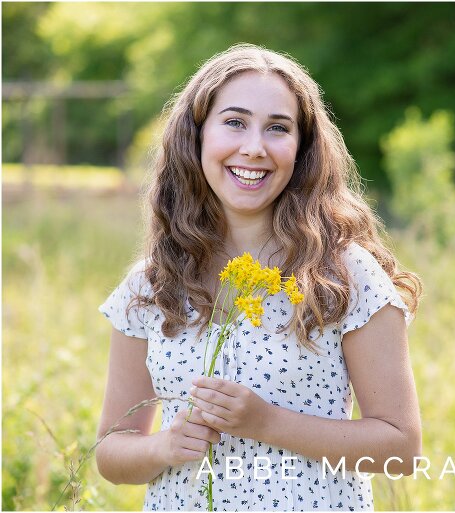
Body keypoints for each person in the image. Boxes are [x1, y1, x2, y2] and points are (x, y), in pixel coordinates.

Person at [96, 43, 423, 511]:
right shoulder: (151, 285)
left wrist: (265, 422)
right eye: (234, 122)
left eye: (278, 128)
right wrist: (163, 446)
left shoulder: (343, 275)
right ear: (197, 136)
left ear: (301, 148)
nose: (254, 147)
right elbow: (111, 452)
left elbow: (402, 449)